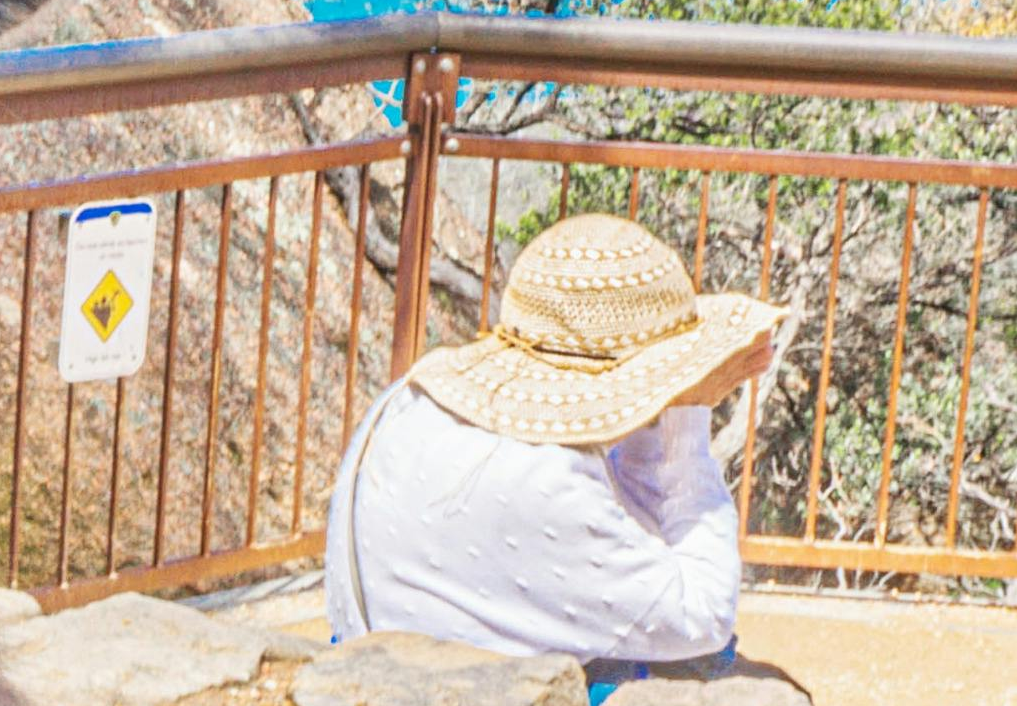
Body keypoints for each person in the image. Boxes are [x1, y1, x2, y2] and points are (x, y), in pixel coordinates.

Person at [323, 211, 784, 677]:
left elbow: (628, 551)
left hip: (378, 668)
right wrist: (684, 415)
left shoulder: (403, 401)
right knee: (721, 668)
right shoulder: (551, 476)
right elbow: (702, 615)